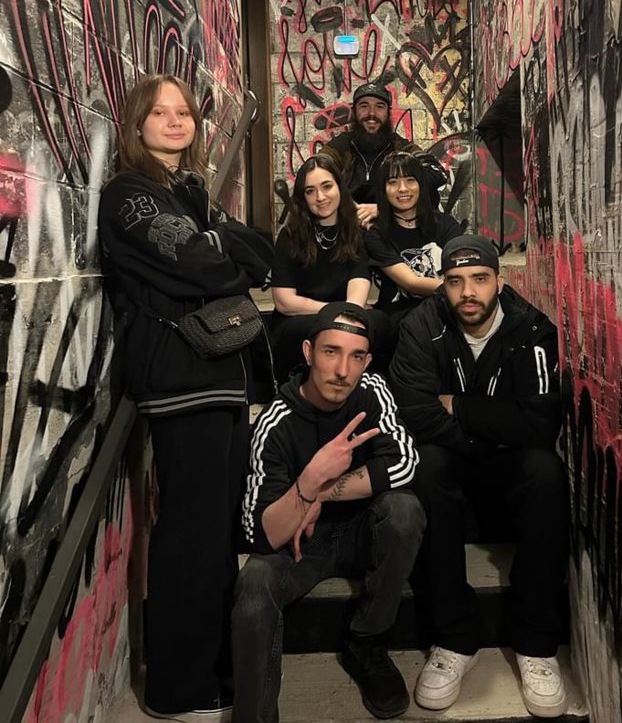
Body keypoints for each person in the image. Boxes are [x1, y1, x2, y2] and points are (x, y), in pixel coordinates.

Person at [98, 74, 273, 719]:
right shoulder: (130, 196)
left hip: (224, 374)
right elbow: (210, 266)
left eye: (185, 112)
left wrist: (218, 248)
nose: (176, 121)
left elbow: (260, 252)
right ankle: (178, 689)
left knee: (220, 533)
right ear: (136, 124)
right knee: (190, 538)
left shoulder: (192, 191)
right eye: (160, 112)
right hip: (178, 381)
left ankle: (217, 674)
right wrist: (219, 252)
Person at [388, 236, 569, 719]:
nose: (468, 291)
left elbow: (540, 423)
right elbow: (415, 413)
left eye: (480, 279)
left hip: (510, 469)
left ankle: (536, 644)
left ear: (498, 280)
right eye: (455, 281)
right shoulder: (420, 326)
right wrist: (490, 428)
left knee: (545, 471)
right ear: (443, 286)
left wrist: (463, 406)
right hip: (452, 461)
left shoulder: (531, 329)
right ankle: (454, 639)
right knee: (425, 467)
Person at [234, 303, 425, 723]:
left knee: (404, 510)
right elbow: (260, 533)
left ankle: (367, 643)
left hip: (360, 532)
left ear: (368, 361)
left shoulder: (372, 389)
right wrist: (306, 484)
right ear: (307, 352)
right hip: (304, 547)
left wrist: (319, 491)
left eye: (356, 356)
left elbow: (406, 463)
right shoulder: (276, 420)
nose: (343, 369)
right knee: (254, 586)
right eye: (330, 352)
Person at [269, 154, 390, 381]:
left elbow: (357, 292)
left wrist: (348, 312)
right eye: (310, 191)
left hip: (344, 314)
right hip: (301, 319)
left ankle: (366, 388)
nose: (320, 197)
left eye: (327, 186)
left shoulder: (355, 232)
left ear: (339, 188)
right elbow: (285, 302)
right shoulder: (290, 234)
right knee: (309, 329)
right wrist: (334, 312)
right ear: (303, 197)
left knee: (381, 322)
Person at [318, 82, 448, 227]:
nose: (371, 113)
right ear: (354, 112)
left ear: (388, 113)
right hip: (347, 228)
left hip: (394, 229)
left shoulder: (400, 147)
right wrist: (346, 205)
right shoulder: (340, 146)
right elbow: (314, 170)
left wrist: (384, 208)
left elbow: (437, 173)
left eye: (379, 106)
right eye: (364, 106)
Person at [364, 152, 465, 324]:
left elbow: (462, 266)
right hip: (402, 315)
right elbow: (411, 283)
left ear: (421, 185)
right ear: (384, 190)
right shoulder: (376, 234)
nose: (403, 188)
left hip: (448, 306)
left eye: (410, 180)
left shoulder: (443, 223)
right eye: (393, 182)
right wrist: (462, 290)